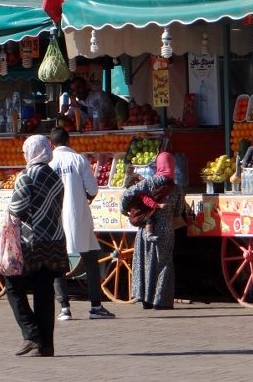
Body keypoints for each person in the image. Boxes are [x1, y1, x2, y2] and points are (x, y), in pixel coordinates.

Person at [5, 134, 68, 358]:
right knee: (44, 291)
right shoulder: (55, 177)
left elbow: (17, 209)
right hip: (55, 240)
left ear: (32, 152)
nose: (24, 155)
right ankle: (46, 346)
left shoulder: (26, 177)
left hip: (32, 242)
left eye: (25, 152)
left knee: (12, 286)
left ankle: (31, 334)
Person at [48, 127, 115, 321]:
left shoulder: (48, 163)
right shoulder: (78, 160)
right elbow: (92, 189)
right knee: (91, 260)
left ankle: (64, 308)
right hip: (79, 216)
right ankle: (95, 306)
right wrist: (87, 196)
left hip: (55, 218)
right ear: (69, 141)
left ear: (51, 144)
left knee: (58, 262)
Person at [120, 151, 185, 310]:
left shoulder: (147, 183)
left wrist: (125, 211)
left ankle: (145, 299)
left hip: (145, 230)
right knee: (163, 264)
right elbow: (178, 212)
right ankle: (161, 301)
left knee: (144, 262)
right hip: (166, 230)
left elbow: (126, 195)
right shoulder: (177, 189)